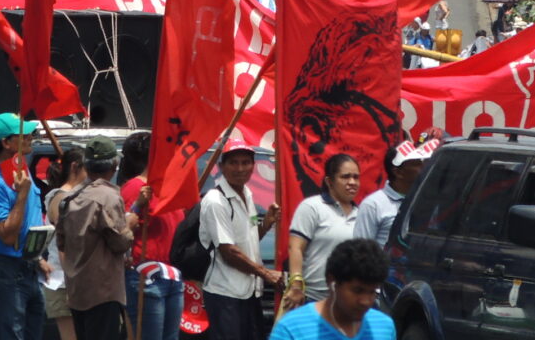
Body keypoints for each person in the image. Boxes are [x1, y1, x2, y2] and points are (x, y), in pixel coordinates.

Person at [56, 135, 139, 340]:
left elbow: (62, 242)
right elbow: (120, 242)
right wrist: (130, 225)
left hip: (78, 291)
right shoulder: (108, 196)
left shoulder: (70, 199)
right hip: (103, 292)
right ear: (115, 164)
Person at [199, 142, 281, 340]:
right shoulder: (215, 201)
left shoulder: (247, 194)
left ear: (254, 166)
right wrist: (266, 274)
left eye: (245, 162)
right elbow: (229, 252)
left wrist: (266, 224)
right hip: (225, 293)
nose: (240, 168)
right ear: (222, 166)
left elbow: (247, 240)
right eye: (234, 163)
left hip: (250, 292)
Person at [0, 113, 45, 340]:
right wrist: (22, 196)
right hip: (6, 268)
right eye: (23, 134)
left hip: (30, 266)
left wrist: (39, 258)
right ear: (6, 143)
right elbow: (7, 235)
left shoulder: (21, 172)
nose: (30, 137)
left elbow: (32, 219)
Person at [119, 132, 185, 340]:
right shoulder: (136, 188)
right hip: (147, 276)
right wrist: (138, 205)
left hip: (172, 275)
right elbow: (123, 229)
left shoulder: (167, 186)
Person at [269, 239, 394, 340]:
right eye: (358, 291)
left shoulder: (384, 327)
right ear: (332, 281)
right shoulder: (292, 329)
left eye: (372, 292)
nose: (365, 301)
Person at [285, 154, 360, 308]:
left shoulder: (362, 214)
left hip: (349, 303)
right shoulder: (312, 207)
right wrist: (296, 285)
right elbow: (295, 247)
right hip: (313, 300)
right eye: (345, 177)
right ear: (329, 181)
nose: (352, 182)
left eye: (356, 177)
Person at [42, 146, 86, 340]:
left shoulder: (80, 195)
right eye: (89, 167)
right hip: (63, 281)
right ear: (75, 167)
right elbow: (64, 243)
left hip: (78, 279)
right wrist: (72, 281)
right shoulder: (59, 197)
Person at [353, 145, 427, 250]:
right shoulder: (373, 205)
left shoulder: (424, 202)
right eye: (416, 164)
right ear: (397, 172)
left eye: (421, 162)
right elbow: (360, 251)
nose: (423, 168)